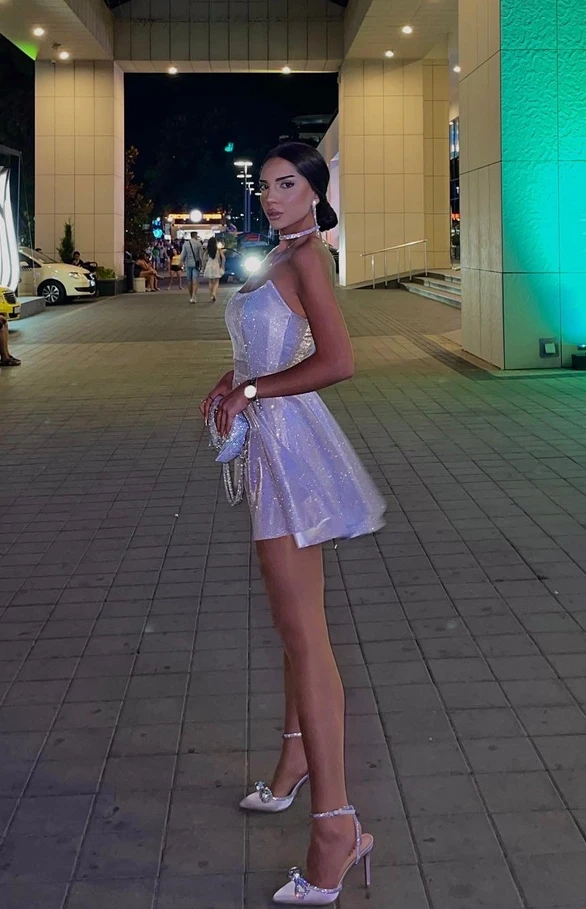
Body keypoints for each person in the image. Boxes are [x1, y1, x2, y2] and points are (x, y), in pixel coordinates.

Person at [201, 142, 385, 906]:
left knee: (305, 634)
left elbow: (338, 361)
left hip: (290, 454)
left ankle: (336, 827)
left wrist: (251, 391)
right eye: (267, 185)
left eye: (288, 184)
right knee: (294, 625)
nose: (273, 196)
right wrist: (234, 378)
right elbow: (266, 347)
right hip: (273, 447)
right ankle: (294, 762)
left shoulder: (309, 257)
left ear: (314, 191)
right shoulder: (282, 253)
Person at [179, 231, 203, 303]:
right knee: (195, 281)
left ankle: (190, 296)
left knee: (189, 281)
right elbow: (200, 256)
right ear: (195, 236)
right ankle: (193, 296)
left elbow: (183, 254)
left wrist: (181, 262)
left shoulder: (186, 244)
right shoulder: (199, 244)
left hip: (188, 264)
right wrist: (202, 264)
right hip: (196, 264)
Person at [203, 237, 225, 302]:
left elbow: (203, 259)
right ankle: (214, 294)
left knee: (210, 282)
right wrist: (222, 265)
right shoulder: (218, 250)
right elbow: (223, 258)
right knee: (216, 282)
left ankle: (211, 295)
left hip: (209, 265)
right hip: (216, 266)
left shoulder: (207, 250)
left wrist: (203, 266)